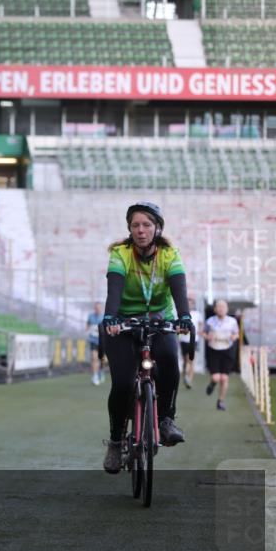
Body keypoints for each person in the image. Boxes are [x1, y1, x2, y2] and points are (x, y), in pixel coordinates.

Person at [101, 202, 194, 474]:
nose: (141, 230)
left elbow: (179, 289)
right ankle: (116, 442)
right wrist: (110, 318)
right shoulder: (120, 254)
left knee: (168, 361)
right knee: (122, 383)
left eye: (146, 225)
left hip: (158, 320)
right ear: (129, 229)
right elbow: (114, 288)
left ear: (157, 228)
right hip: (122, 323)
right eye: (135, 225)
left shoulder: (169, 255)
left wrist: (184, 317)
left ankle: (166, 419)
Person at [203, 299, 239, 411]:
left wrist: (234, 337)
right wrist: (207, 336)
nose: (221, 308)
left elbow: (236, 334)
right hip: (214, 350)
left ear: (227, 308)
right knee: (216, 377)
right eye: (218, 306)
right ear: (214, 309)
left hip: (227, 350)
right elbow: (203, 332)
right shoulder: (210, 321)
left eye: (223, 306)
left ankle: (220, 401)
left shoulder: (232, 321)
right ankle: (212, 384)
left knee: (224, 378)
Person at [179, 301, 204, 389]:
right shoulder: (181, 314)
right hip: (183, 340)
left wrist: (199, 331)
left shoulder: (197, 314)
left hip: (194, 340)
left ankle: (190, 379)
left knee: (191, 359)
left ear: (193, 304)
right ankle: (185, 376)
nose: (189, 305)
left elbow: (201, 324)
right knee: (185, 360)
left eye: (191, 303)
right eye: (187, 303)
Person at [86, 302, 105, 385]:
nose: (97, 309)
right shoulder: (91, 316)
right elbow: (87, 325)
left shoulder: (104, 317)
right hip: (93, 340)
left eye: (99, 308)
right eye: (96, 308)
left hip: (102, 341)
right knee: (94, 358)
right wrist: (88, 329)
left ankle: (101, 371)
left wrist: (100, 330)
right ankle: (95, 375)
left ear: (101, 308)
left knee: (101, 359)